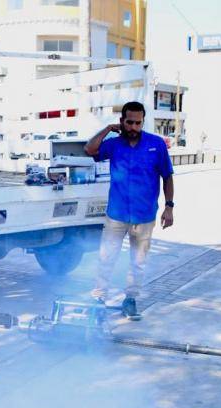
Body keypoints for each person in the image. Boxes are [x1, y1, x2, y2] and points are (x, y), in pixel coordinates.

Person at [85, 101, 174, 320]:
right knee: (106, 257)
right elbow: (90, 149)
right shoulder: (114, 144)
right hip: (117, 214)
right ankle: (98, 298)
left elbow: (167, 176)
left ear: (143, 121)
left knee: (138, 261)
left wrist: (169, 207)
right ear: (122, 122)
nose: (134, 127)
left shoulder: (156, 144)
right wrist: (107, 129)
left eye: (138, 123)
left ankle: (130, 300)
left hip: (144, 216)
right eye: (130, 122)